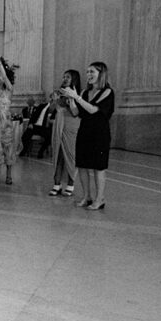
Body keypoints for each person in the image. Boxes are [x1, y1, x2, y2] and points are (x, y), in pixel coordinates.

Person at [64, 61, 114, 210]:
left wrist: (77, 98)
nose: (89, 75)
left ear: (101, 74)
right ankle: (87, 196)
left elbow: (93, 110)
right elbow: (76, 113)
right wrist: (71, 100)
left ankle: (100, 199)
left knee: (99, 167)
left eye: (92, 72)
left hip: (99, 133)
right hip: (85, 132)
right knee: (83, 165)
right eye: (87, 72)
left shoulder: (107, 92)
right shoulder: (85, 92)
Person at [43, 69, 84, 197]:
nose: (65, 79)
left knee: (70, 156)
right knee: (58, 154)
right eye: (64, 76)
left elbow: (76, 113)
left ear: (74, 80)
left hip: (71, 126)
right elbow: (51, 109)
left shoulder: (78, 94)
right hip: (58, 125)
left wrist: (72, 99)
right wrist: (54, 100)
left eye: (68, 77)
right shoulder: (59, 92)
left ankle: (70, 184)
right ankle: (57, 184)